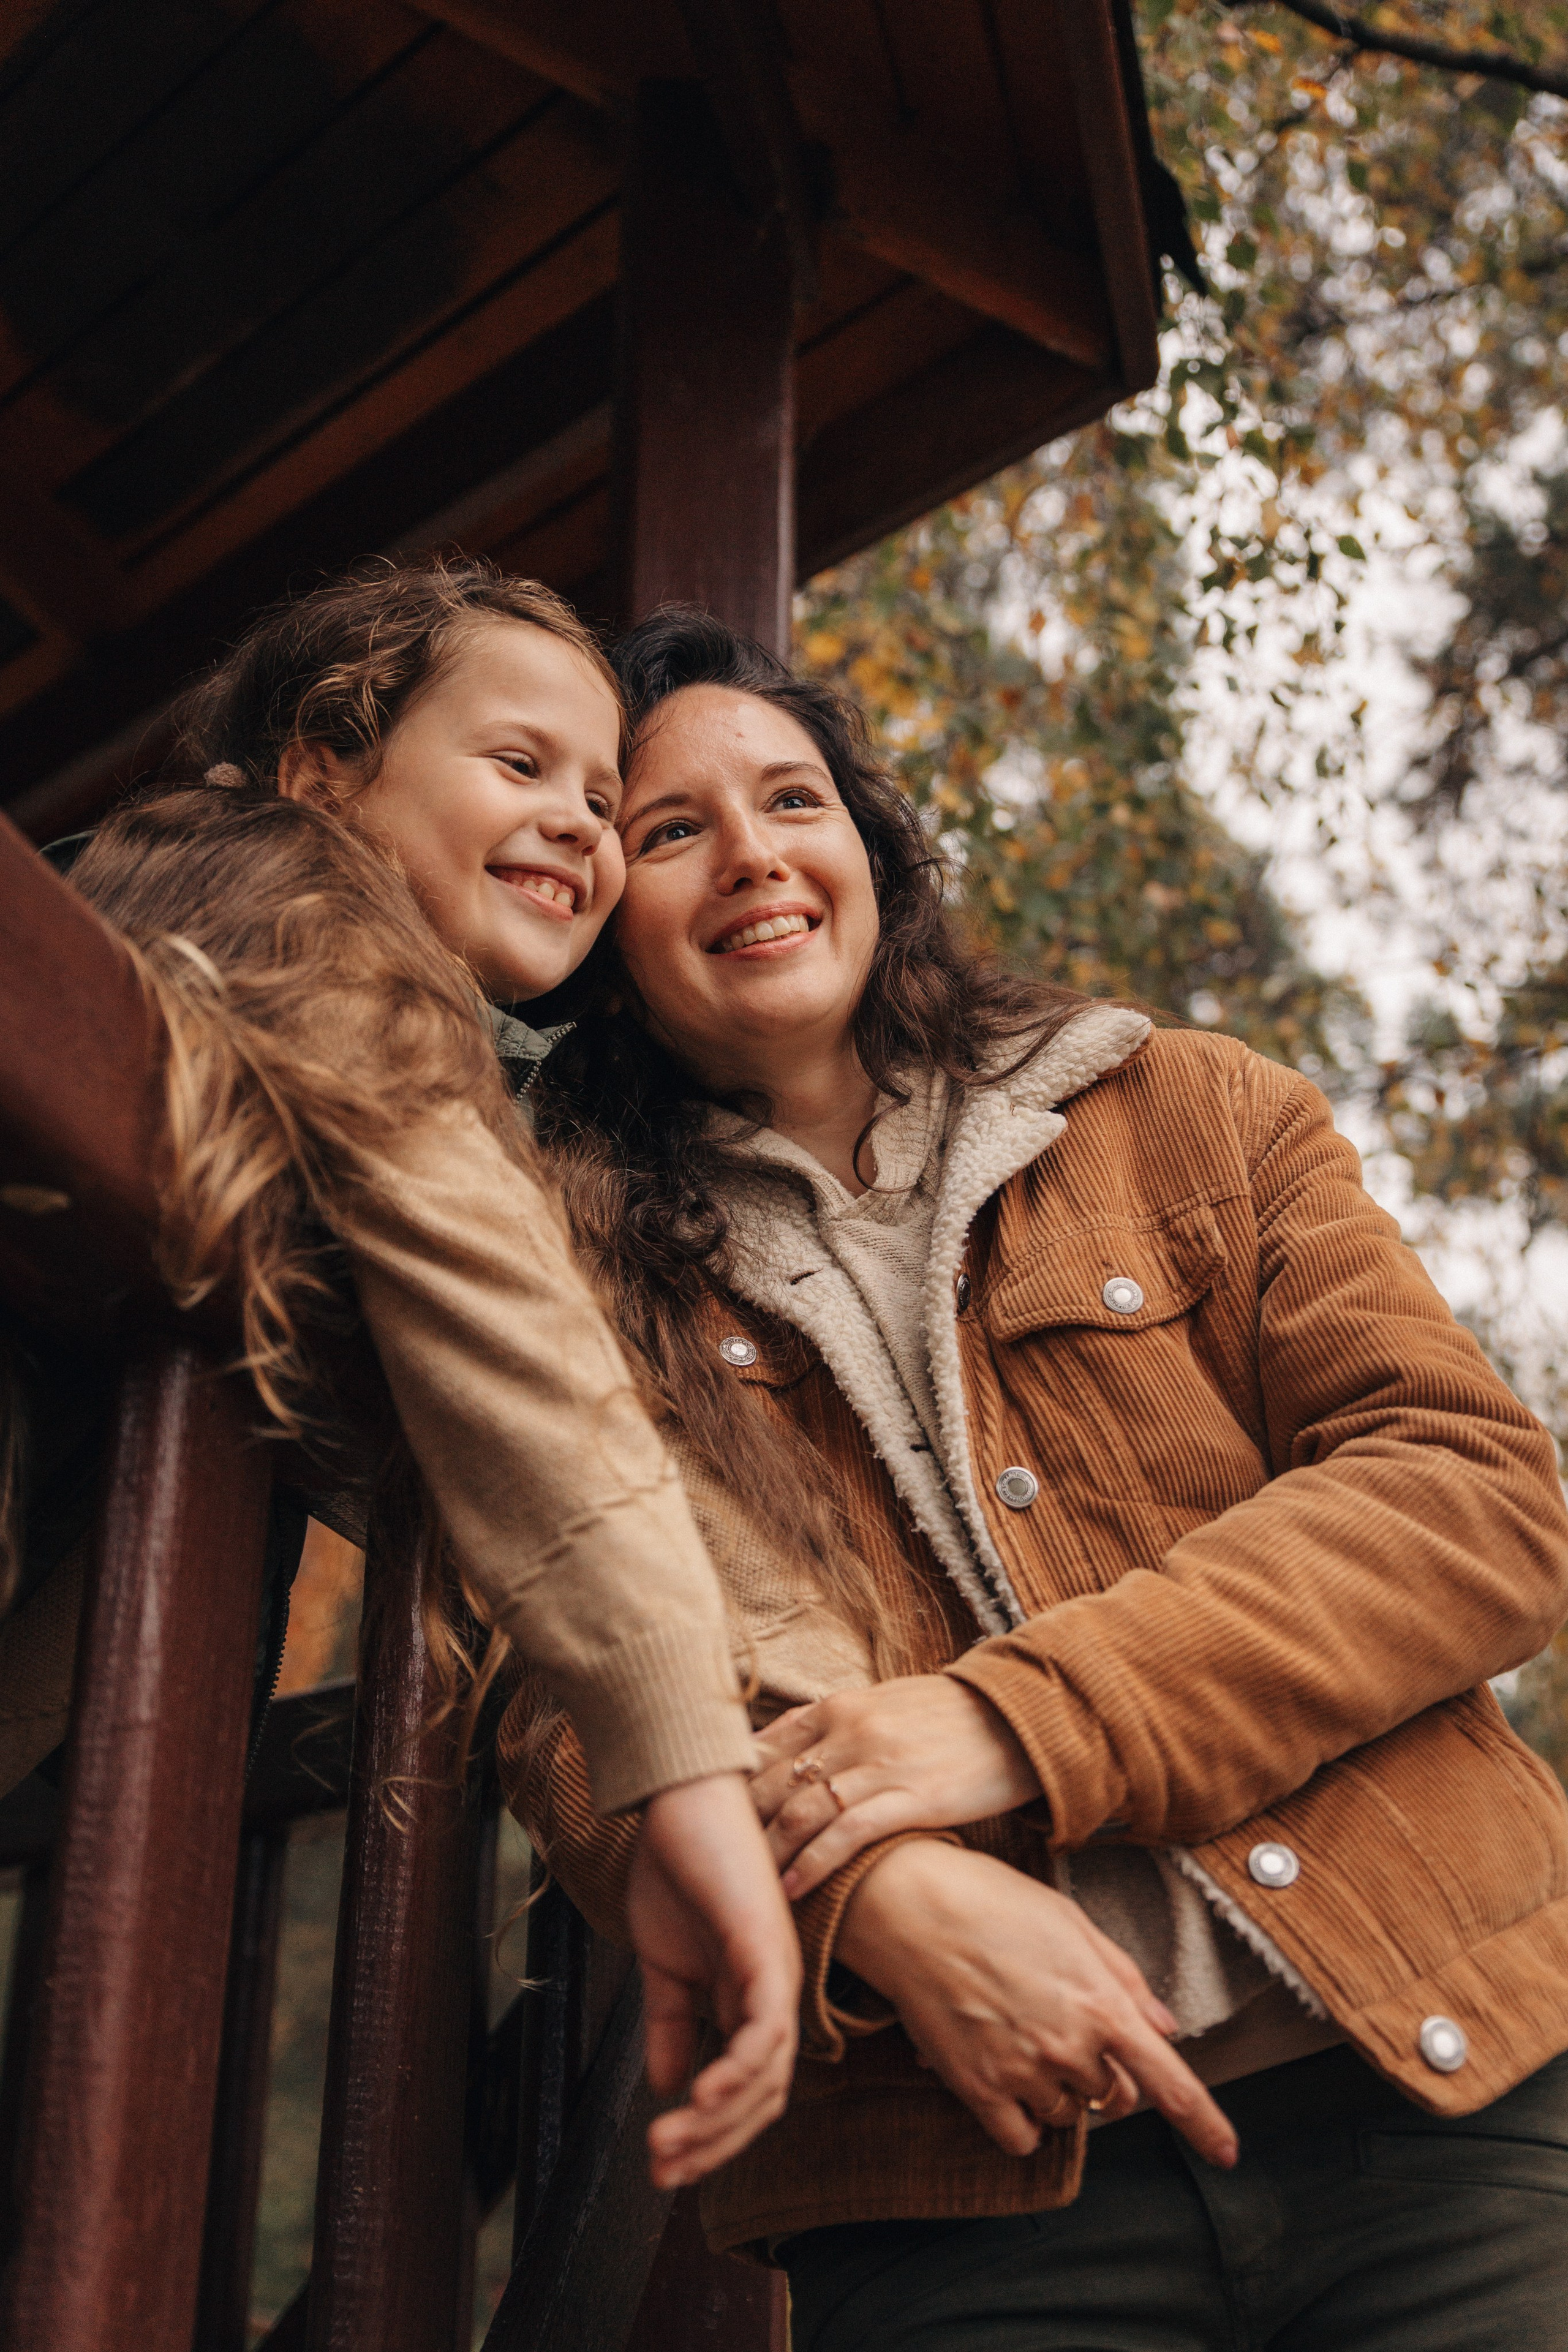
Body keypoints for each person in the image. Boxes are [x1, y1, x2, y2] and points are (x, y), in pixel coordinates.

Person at [513, 606, 1568, 2347]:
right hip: (949, 2198)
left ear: (870, 847)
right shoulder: (566, 1286)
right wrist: (875, 1894)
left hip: (1454, 2088)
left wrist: (1015, 1724)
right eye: (670, 829)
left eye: (793, 800)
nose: (752, 857)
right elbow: (566, 1713)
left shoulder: (1187, 1114)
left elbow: (1472, 1496)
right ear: (600, 923)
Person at [0, 561, 800, 2188]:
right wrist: (697, 1754)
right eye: (522, 767)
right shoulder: (285, 902)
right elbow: (520, 1342)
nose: (581, 824)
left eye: (603, 798)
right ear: (323, 768)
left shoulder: (297, 978)